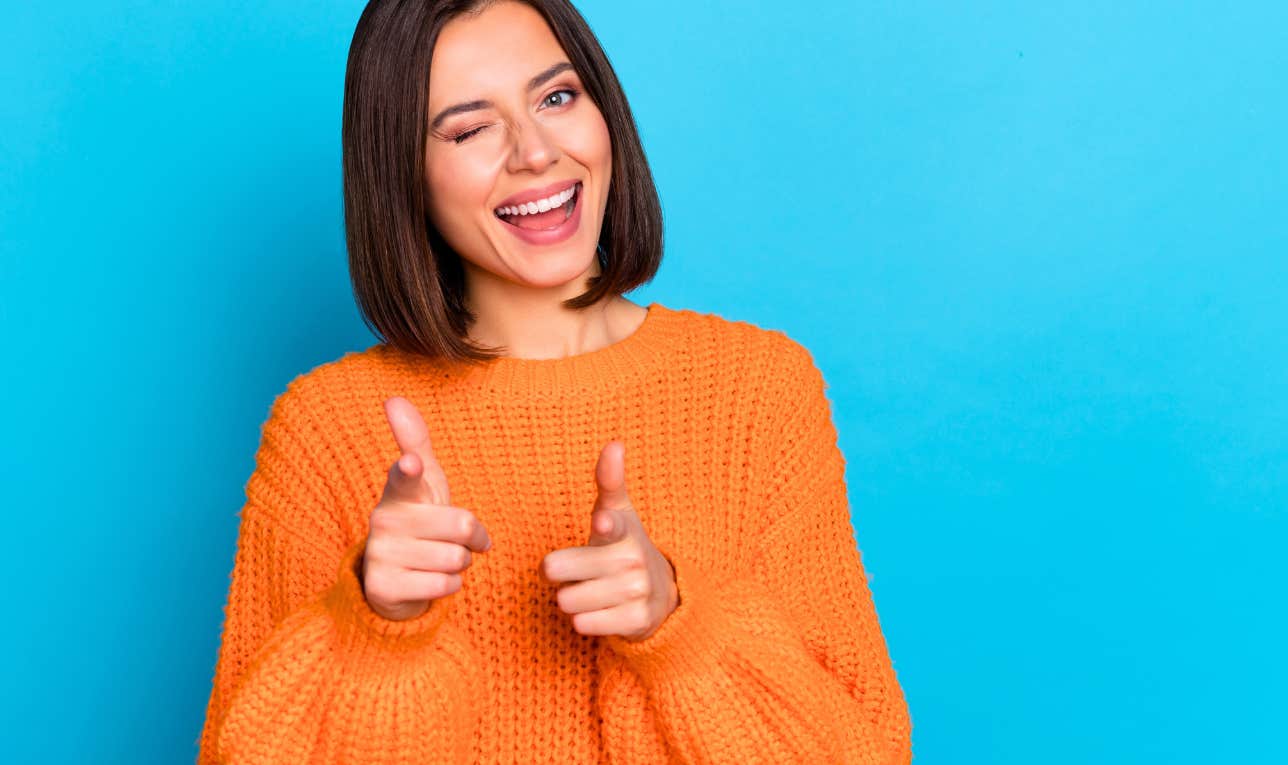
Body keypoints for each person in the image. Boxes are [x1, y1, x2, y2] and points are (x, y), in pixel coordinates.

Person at [196, 0, 913, 762]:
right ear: (402, 173)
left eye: (556, 98)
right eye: (470, 129)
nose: (535, 153)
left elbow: (870, 747)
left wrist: (678, 627)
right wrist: (377, 630)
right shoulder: (328, 429)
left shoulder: (760, 391)